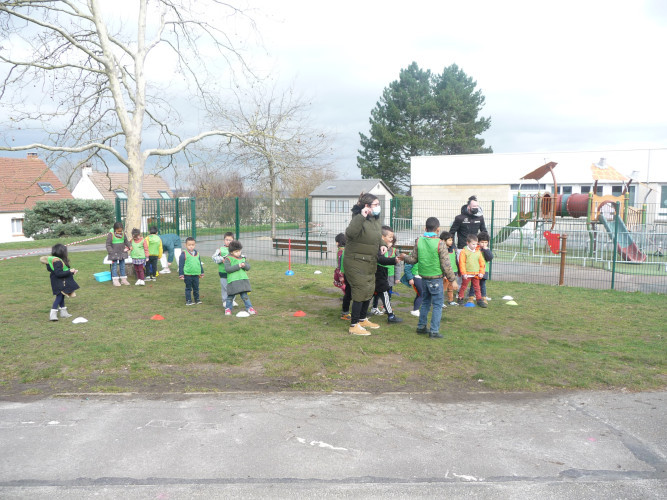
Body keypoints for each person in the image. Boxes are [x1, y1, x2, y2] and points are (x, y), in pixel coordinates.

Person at [403, 217, 458, 339]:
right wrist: (452, 280)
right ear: (438, 230)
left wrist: (403, 257)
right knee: (438, 304)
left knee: (426, 302)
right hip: (436, 279)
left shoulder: (419, 241)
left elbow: (412, 259)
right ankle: (434, 331)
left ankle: (421, 327)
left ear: (425, 228)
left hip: (423, 278)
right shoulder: (440, 244)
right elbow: (446, 265)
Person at [343, 193, 385, 336]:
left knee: (369, 289)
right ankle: (354, 325)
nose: (379, 207)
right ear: (367, 206)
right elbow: (350, 234)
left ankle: (362, 319)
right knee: (360, 291)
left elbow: (377, 236)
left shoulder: (374, 220)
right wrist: (361, 216)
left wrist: (383, 244)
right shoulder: (358, 218)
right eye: (376, 204)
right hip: (355, 261)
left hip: (369, 261)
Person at [40, 243, 80, 321]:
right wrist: (70, 272)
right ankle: (53, 314)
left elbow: (55, 271)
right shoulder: (57, 261)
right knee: (59, 297)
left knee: (62, 296)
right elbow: (59, 274)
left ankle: (63, 312)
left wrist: (70, 271)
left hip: (56, 281)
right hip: (59, 281)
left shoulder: (52, 260)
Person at [372, 226, 403, 323]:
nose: (391, 239)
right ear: (382, 237)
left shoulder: (378, 246)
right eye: (389, 237)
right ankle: (391, 316)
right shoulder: (379, 248)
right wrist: (394, 260)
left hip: (378, 274)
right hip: (379, 274)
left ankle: (363, 314)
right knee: (385, 295)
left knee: (373, 294)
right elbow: (381, 260)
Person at [223, 240, 256, 316]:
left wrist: (245, 265)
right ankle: (228, 309)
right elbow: (228, 269)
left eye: (239, 251)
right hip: (233, 281)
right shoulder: (228, 259)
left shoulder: (243, 258)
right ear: (231, 252)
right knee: (230, 296)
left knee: (245, 296)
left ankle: (249, 307)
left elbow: (248, 268)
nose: (238, 253)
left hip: (242, 280)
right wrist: (238, 266)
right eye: (236, 251)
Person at [457, 234, 487, 308]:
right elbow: (462, 263)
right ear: (468, 243)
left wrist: (481, 272)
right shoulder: (464, 252)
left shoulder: (478, 251)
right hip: (467, 274)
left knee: (477, 287)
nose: (475, 246)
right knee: (464, 286)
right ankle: (460, 298)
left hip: (476, 274)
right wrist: (463, 273)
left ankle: (479, 300)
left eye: (476, 244)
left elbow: (482, 263)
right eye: (473, 244)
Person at [212, 231, 236, 311]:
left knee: (233, 287)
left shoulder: (235, 250)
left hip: (233, 272)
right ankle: (225, 301)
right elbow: (214, 258)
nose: (228, 241)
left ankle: (232, 300)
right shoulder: (220, 250)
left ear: (233, 240)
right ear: (224, 240)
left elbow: (239, 257)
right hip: (223, 272)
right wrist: (221, 259)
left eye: (230, 240)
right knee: (225, 287)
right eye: (227, 240)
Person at [467, 231, 493, 304]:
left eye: (485, 242)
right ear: (478, 242)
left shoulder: (487, 250)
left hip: (484, 270)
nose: (484, 244)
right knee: (473, 284)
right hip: (475, 270)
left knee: (482, 284)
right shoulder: (475, 249)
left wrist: (486, 250)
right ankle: (471, 297)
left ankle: (483, 297)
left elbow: (490, 258)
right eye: (482, 242)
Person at [179, 236, 204, 305]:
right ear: (185, 245)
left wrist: (202, 272)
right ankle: (188, 300)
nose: (191, 246)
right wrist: (181, 274)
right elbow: (181, 265)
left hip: (196, 274)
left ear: (195, 245)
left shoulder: (197, 253)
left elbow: (199, 263)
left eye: (192, 245)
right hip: (188, 275)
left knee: (196, 288)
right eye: (189, 245)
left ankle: (197, 299)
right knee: (188, 288)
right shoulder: (183, 254)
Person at [106, 222, 131, 286]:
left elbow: (126, 241)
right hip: (114, 254)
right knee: (114, 267)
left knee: (122, 265)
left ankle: (123, 279)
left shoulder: (123, 234)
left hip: (122, 253)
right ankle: (115, 280)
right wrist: (111, 252)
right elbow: (108, 244)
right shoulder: (110, 235)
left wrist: (129, 246)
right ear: (115, 229)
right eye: (118, 231)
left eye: (121, 231)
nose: (120, 232)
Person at [439, 231, 460, 306]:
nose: (451, 242)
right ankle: (440, 302)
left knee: (451, 288)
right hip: (446, 273)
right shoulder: (442, 250)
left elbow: (455, 260)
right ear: (444, 241)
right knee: (443, 289)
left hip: (453, 272)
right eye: (449, 240)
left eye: (452, 240)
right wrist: (444, 273)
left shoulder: (453, 249)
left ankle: (450, 301)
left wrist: (458, 270)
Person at [334, 233, 352, 320]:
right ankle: (346, 297)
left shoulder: (341, 250)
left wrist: (340, 274)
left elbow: (340, 263)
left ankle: (346, 296)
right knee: (343, 286)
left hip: (342, 271)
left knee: (343, 285)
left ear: (338, 242)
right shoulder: (345, 250)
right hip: (343, 272)